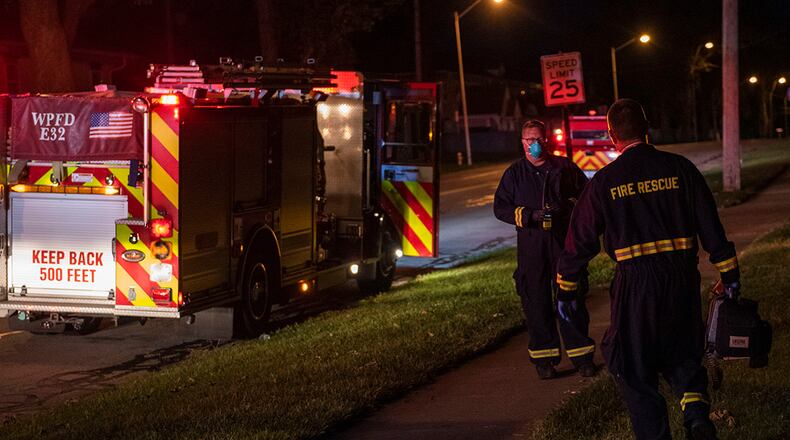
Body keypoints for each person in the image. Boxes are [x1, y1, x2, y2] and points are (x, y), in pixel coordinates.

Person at [556, 99, 739, 440]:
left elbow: (579, 240)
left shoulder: (603, 182)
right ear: (647, 128)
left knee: (632, 366)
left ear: (612, 136)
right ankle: (697, 416)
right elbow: (711, 227)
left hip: (636, 287)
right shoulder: (681, 169)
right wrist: (729, 274)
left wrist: (566, 287)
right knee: (684, 354)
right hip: (682, 279)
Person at [494, 119, 596, 380]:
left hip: (563, 247)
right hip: (532, 250)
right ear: (522, 142)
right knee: (536, 304)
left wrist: (565, 208)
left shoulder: (564, 168)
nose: (534, 145)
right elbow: (501, 208)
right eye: (529, 140)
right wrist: (530, 215)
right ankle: (544, 361)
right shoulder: (514, 174)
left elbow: (586, 199)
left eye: (539, 139)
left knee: (570, 300)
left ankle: (582, 358)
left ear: (546, 140)